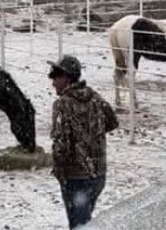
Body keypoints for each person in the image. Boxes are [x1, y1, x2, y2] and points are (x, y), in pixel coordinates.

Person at [48, 54, 119, 229]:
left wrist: (58, 170)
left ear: (66, 78)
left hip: (75, 176)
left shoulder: (62, 105)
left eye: (55, 77)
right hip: (98, 174)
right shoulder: (95, 97)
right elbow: (112, 122)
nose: (52, 82)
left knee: (79, 224)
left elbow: (61, 145)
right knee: (85, 220)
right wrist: (91, 136)